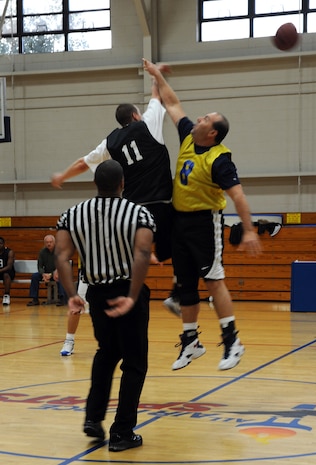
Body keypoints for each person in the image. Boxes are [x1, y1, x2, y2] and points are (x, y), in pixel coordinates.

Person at [143, 58, 262, 371]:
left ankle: (233, 340)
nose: (198, 117)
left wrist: (248, 230)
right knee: (185, 287)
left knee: (213, 281)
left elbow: (238, 196)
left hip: (204, 222)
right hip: (179, 221)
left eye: (205, 118)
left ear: (212, 133)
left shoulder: (220, 159)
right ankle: (191, 342)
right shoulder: (187, 136)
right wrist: (155, 74)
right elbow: (172, 102)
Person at [52, 73, 179, 356]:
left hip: (131, 211)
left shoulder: (110, 142)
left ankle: (150, 255)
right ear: (135, 115)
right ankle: (177, 290)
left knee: (133, 248)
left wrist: (63, 175)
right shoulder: (148, 124)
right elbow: (157, 96)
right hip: (159, 200)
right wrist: (157, 75)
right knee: (184, 238)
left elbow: (83, 163)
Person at [55, 159, 155, 452]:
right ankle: (123, 432)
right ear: (123, 183)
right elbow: (143, 251)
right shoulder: (139, 213)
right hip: (127, 290)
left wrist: (72, 293)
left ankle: (93, 418)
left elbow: (62, 256)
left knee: (107, 353)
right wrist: (132, 296)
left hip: (96, 292)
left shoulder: (72, 214)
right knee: (134, 363)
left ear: (95, 184)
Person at [26, 234, 66, 306]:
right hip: (46, 273)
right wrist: (43, 274)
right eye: (47, 242)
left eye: (50, 242)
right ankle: (35, 299)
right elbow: (40, 266)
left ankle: (61, 299)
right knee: (34, 276)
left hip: (57, 273)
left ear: (54, 242)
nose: (49, 244)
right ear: (44, 243)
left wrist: (51, 274)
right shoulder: (42, 252)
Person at [0, 237, 15, 305]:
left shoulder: (9, 252)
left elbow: (9, 266)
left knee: (6, 274)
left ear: (4, 244)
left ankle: (6, 295)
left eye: (0, 243)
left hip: (8, 272)